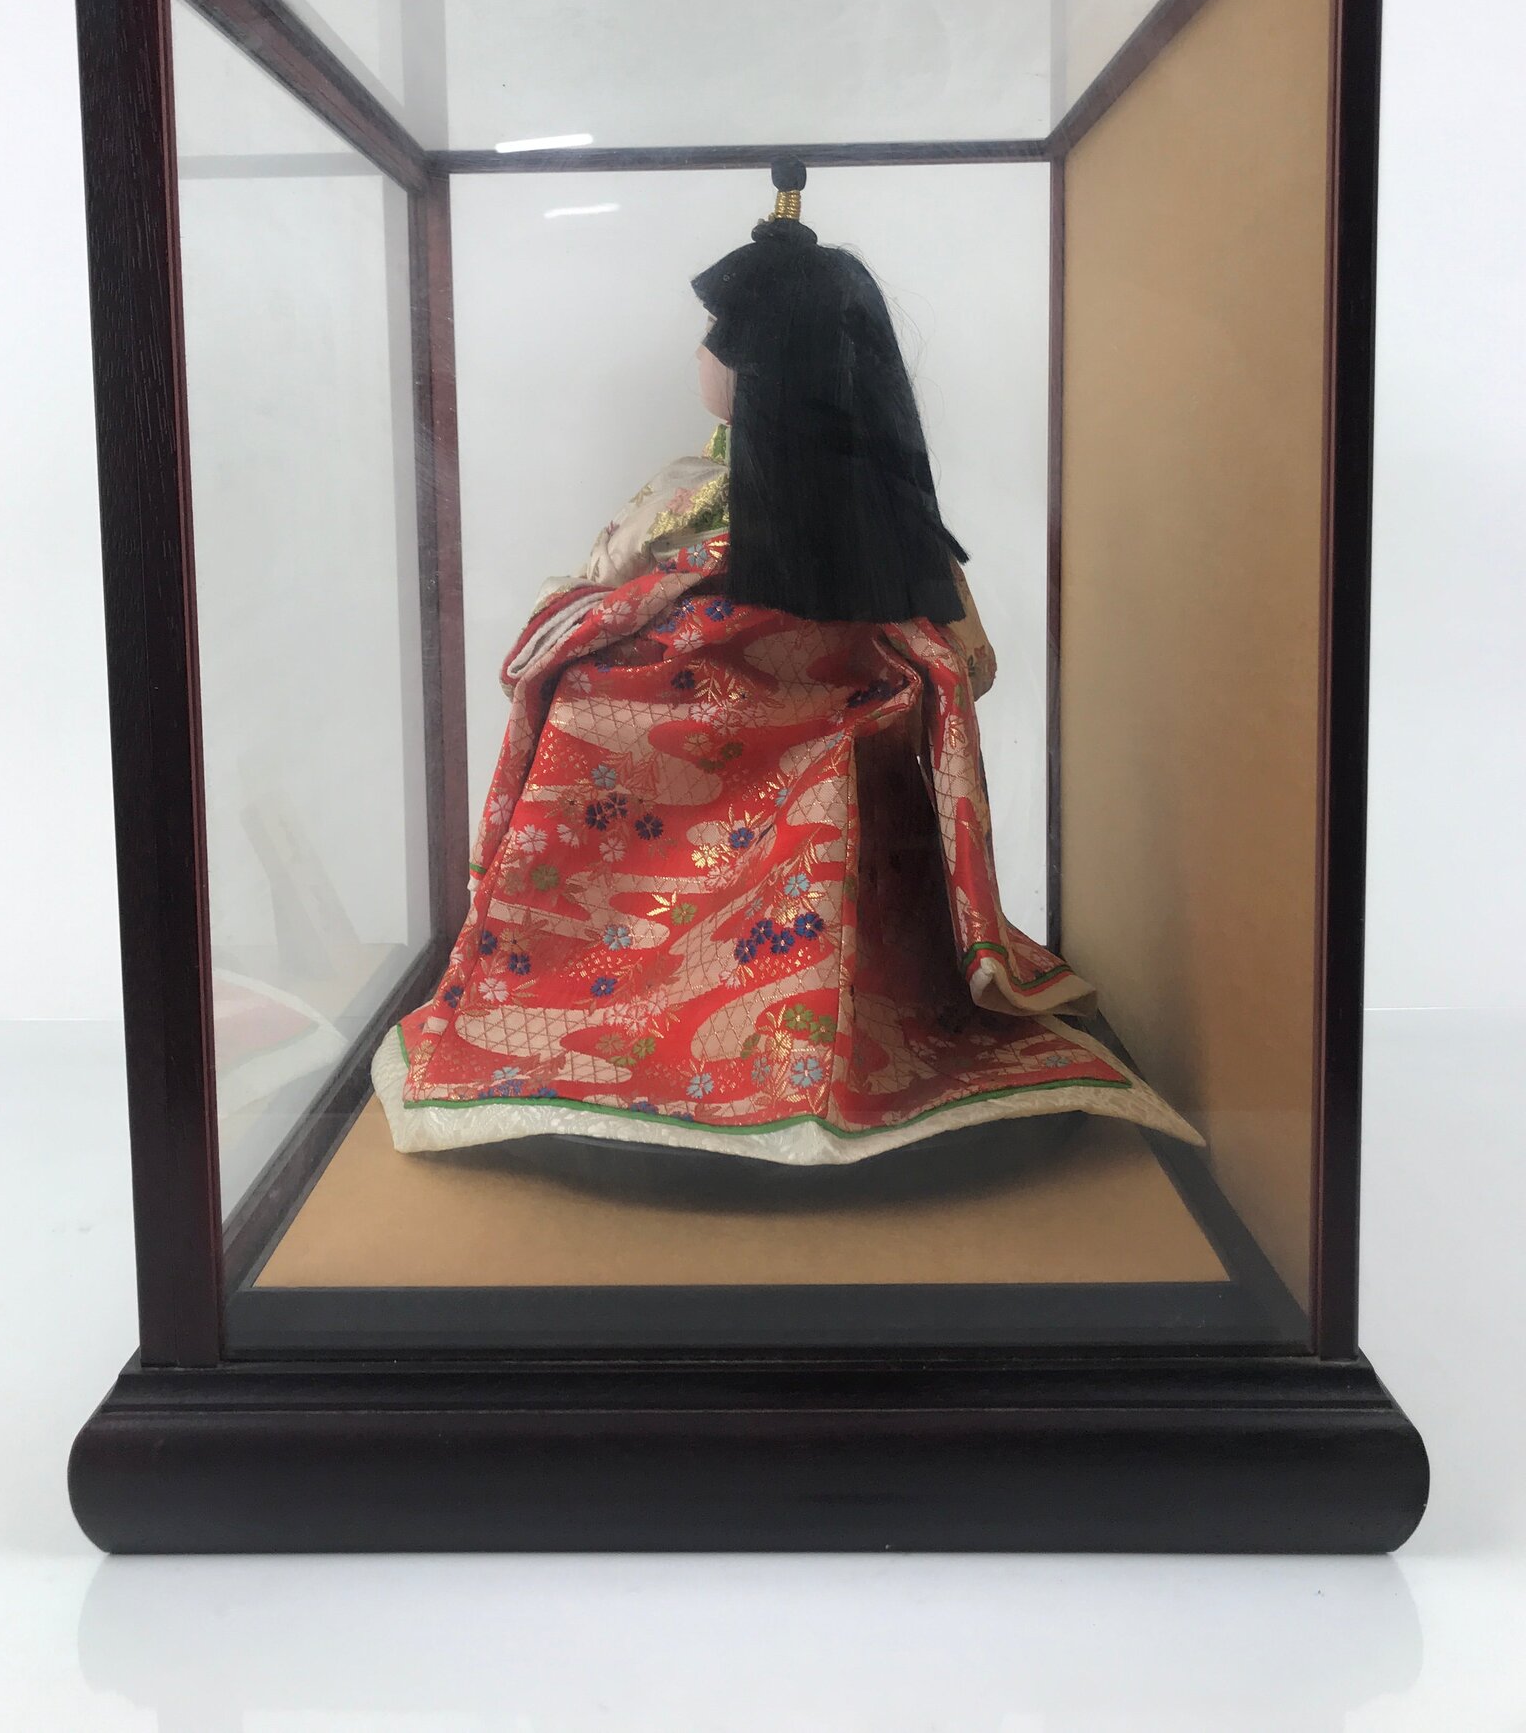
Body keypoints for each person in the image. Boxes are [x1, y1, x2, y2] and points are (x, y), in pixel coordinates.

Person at [372, 162, 1196, 1166]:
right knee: (855, 756)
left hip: (691, 752)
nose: (700, 354)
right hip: (835, 753)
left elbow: (589, 591)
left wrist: (574, 627)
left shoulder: (686, 495)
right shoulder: (886, 514)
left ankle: (600, 982)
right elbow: (969, 657)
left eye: (715, 337)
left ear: (753, 366)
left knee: (588, 701)